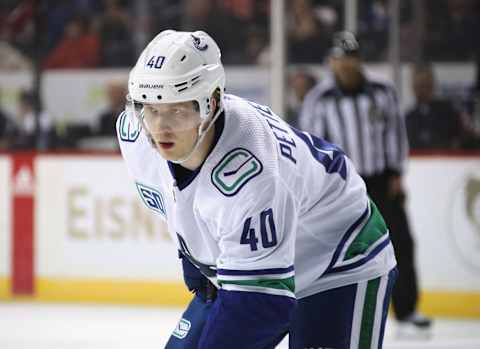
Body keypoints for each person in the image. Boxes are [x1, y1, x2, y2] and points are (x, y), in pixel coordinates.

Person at [117, 30, 397, 349]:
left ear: (212, 103)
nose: (159, 129)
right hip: (258, 263)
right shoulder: (133, 132)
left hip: (338, 259)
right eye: (150, 109)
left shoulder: (252, 174)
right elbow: (183, 202)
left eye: (178, 110)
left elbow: (261, 305)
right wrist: (197, 258)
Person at [299, 31, 432, 335]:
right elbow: (309, 146)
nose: (345, 65)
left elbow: (396, 132)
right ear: (331, 62)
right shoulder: (318, 99)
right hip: (339, 188)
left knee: (400, 243)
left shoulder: (383, 91)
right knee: (331, 248)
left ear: (359, 60)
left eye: (350, 59)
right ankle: (331, 312)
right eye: (339, 59)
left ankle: (407, 311)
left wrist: (397, 172)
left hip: (381, 180)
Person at [406, 63, 464, 150]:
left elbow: (457, 139)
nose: (422, 90)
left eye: (426, 85)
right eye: (419, 86)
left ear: (432, 85)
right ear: (413, 87)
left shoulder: (448, 112)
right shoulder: (409, 118)